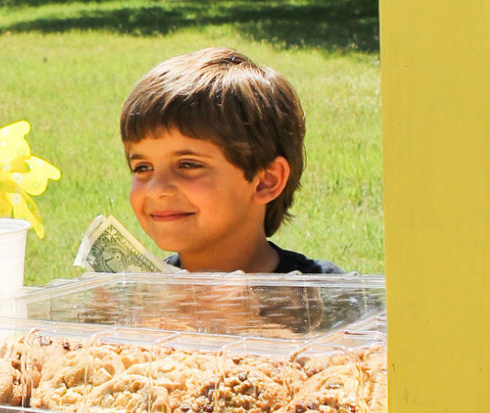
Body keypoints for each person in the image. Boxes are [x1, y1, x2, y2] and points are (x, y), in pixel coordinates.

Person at [119, 47, 341, 274]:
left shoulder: (327, 298)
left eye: (188, 164)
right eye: (142, 167)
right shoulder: (138, 300)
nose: (156, 190)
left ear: (266, 180)